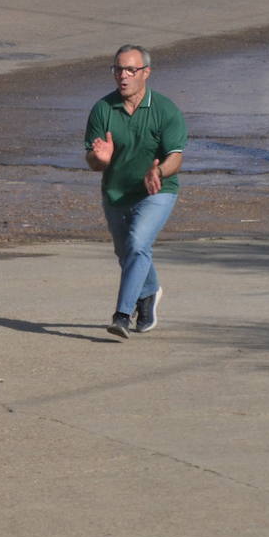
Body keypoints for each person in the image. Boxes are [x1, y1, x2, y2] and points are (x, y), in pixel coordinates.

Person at [84, 44, 187, 339]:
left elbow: (176, 157)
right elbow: (92, 160)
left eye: (131, 69)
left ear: (146, 72)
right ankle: (150, 290)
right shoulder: (103, 109)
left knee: (138, 243)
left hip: (157, 191)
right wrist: (100, 160)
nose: (123, 76)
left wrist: (159, 171)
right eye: (118, 69)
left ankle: (122, 315)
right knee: (127, 251)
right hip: (116, 193)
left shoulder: (165, 110)